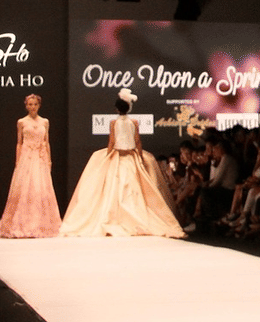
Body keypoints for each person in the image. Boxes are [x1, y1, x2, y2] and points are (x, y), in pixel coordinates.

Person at [61, 89, 185, 238]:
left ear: (116, 109)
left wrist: (107, 156)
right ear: (128, 108)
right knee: (133, 189)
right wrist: (139, 157)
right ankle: (133, 217)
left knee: (113, 188)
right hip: (131, 158)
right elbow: (137, 141)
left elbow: (112, 142)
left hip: (118, 157)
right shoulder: (134, 122)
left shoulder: (114, 122)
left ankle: (117, 218)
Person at [0, 94, 62, 238]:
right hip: (26, 157)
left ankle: (41, 224)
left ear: (39, 105)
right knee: (25, 189)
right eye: (30, 104)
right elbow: (19, 142)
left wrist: (49, 160)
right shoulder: (22, 122)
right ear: (26, 106)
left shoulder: (45, 122)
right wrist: (17, 161)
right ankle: (23, 223)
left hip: (40, 157)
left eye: (35, 104)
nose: (32, 107)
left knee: (40, 188)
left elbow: (46, 141)